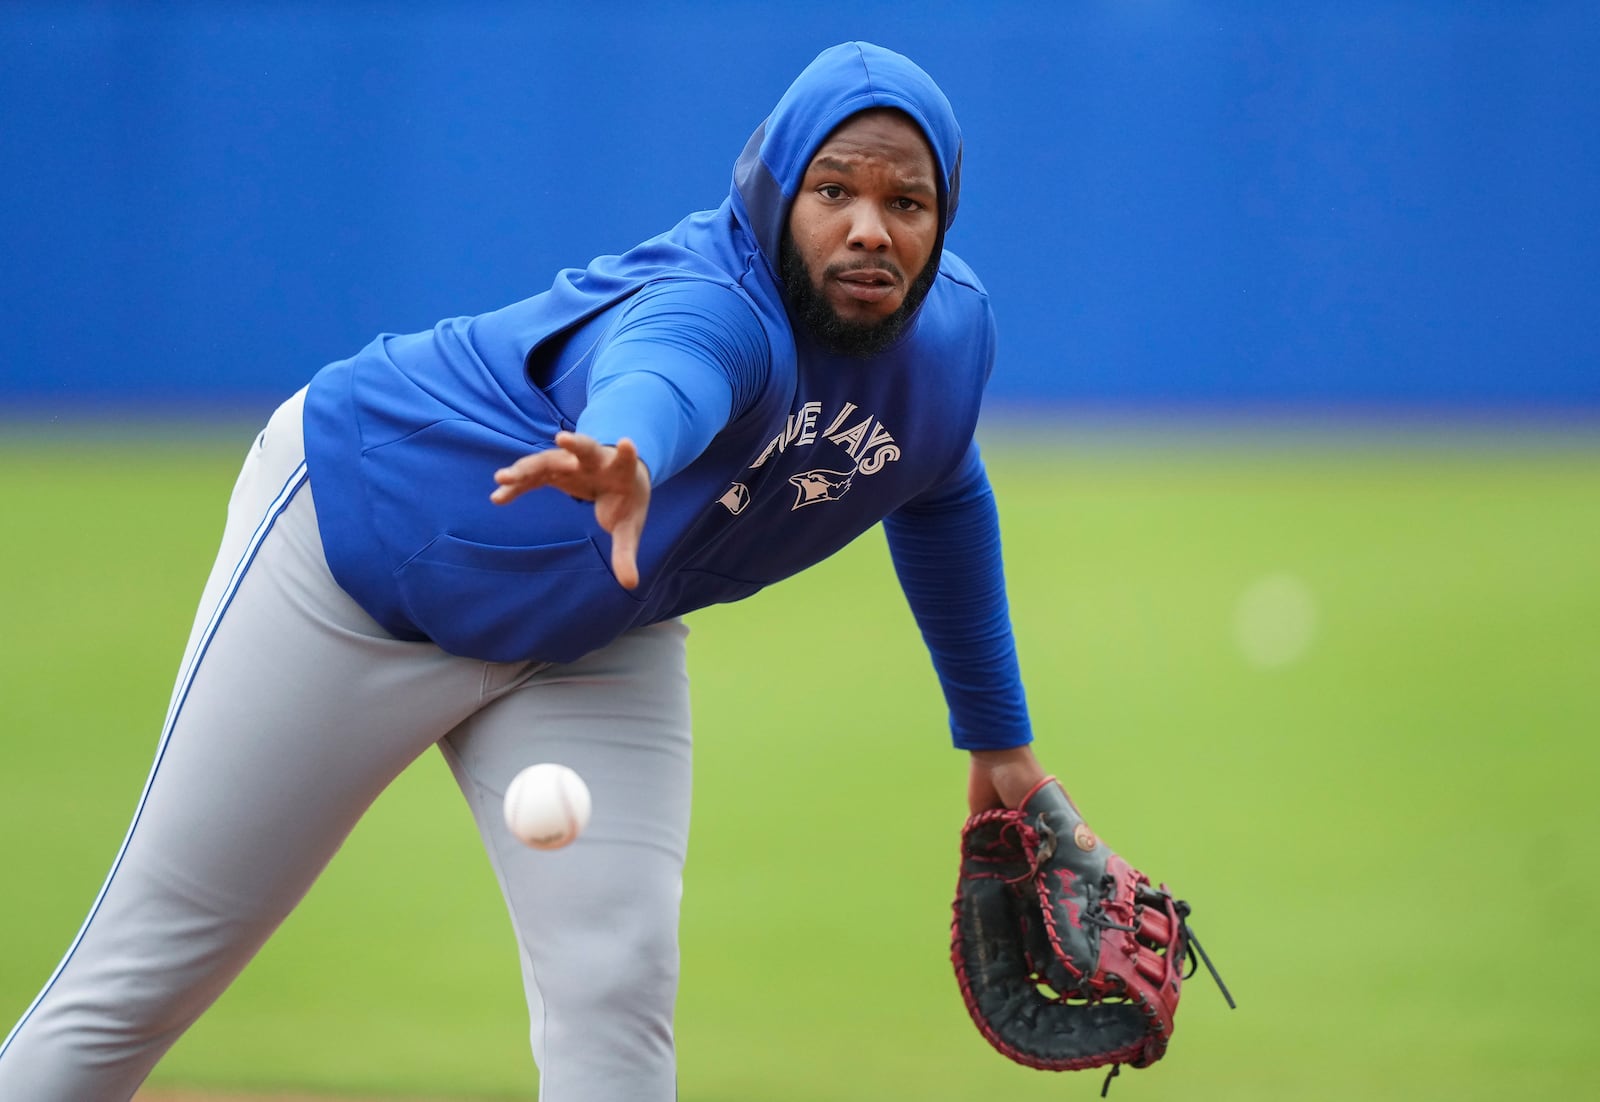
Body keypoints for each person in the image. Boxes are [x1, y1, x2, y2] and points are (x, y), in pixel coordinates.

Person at [0, 41, 1050, 1101]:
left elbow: (941, 490)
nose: (870, 226)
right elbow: (662, 372)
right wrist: (627, 448)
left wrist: (999, 738)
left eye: (906, 201)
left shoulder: (948, 341)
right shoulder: (718, 309)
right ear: (774, 196)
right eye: (833, 190)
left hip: (592, 632)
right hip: (356, 570)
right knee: (139, 979)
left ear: (942, 218)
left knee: (617, 990)